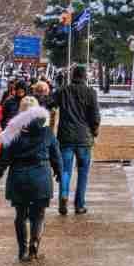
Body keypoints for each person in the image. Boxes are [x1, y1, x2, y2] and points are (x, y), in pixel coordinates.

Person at [0, 96, 62, 262]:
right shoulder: (47, 132)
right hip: (41, 176)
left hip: (18, 178)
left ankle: (23, 249)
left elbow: (2, 160)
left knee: (20, 215)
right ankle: (34, 245)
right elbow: (56, 156)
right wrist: (59, 172)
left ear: (20, 113)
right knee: (39, 214)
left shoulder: (12, 134)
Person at [50, 65, 100, 216]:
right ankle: (79, 205)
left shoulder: (62, 91)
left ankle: (63, 197)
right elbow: (95, 115)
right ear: (85, 76)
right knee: (83, 172)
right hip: (84, 138)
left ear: (72, 75)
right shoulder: (91, 92)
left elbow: (50, 104)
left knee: (65, 170)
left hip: (65, 137)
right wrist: (95, 129)